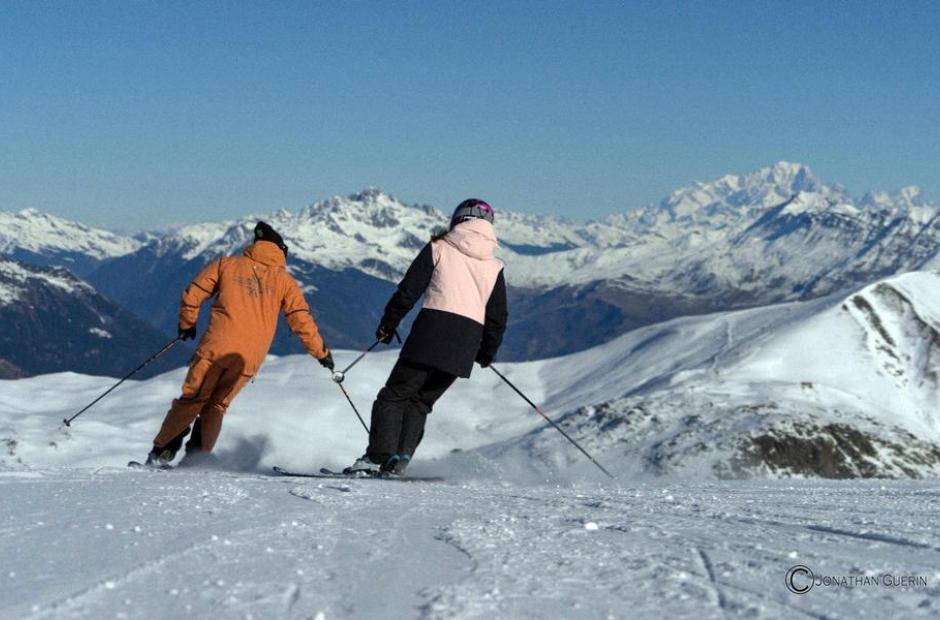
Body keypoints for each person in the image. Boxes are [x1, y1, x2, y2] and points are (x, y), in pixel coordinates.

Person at [145, 221, 334, 466]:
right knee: (217, 405)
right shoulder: (286, 282)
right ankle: (197, 459)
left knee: (193, 399)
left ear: (255, 245)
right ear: (281, 251)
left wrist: (187, 324)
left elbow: (193, 294)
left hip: (215, 349)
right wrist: (321, 353)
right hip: (248, 360)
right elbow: (301, 321)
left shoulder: (227, 264)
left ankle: (161, 452)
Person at [346, 199, 508, 475]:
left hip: (431, 333)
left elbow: (409, 290)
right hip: (465, 344)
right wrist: (486, 352)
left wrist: (388, 323)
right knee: (421, 402)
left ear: (457, 220)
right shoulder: (495, 266)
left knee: (393, 396)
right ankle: (399, 460)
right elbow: (497, 316)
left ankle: (376, 458)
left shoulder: (439, 247)